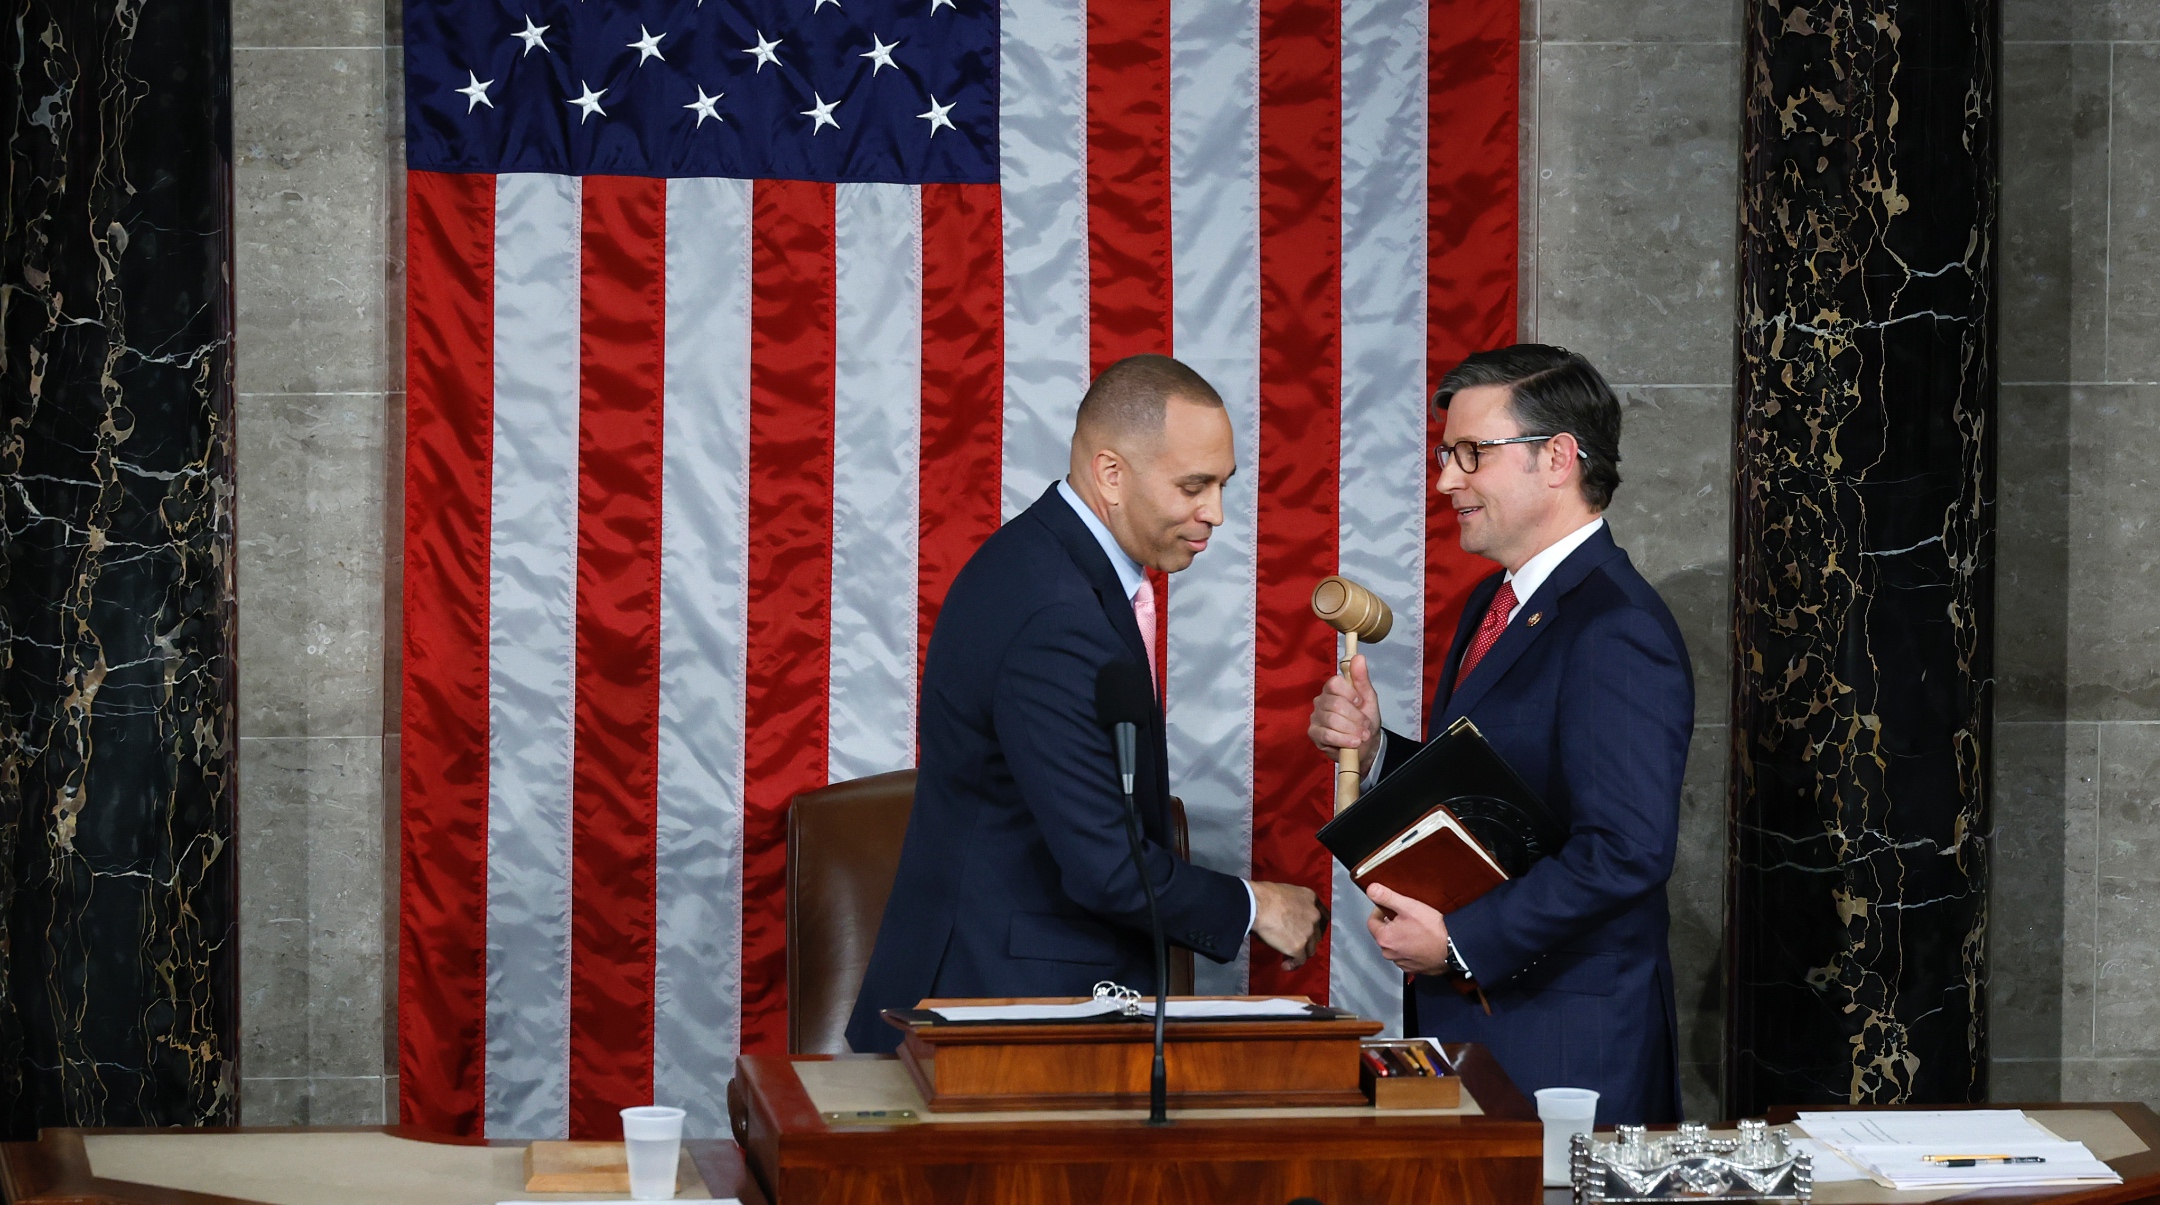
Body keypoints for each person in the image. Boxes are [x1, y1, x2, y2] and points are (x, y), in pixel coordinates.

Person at [847, 354, 1329, 1054]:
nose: (1216, 514)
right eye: (1194, 486)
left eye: (1222, 485)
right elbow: (1105, 866)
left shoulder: (1046, 563)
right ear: (1110, 473)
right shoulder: (1055, 609)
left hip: (1020, 1000)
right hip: (996, 1019)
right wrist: (1256, 905)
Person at [1307, 344, 1692, 1123]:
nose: (1447, 479)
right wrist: (1381, 750)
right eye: (1448, 454)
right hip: (1494, 1030)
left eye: (1471, 453)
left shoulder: (1616, 626)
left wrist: (1460, 941)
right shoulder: (1494, 600)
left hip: (1563, 1043)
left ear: (1557, 459)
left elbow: (1626, 848)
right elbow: (1503, 792)